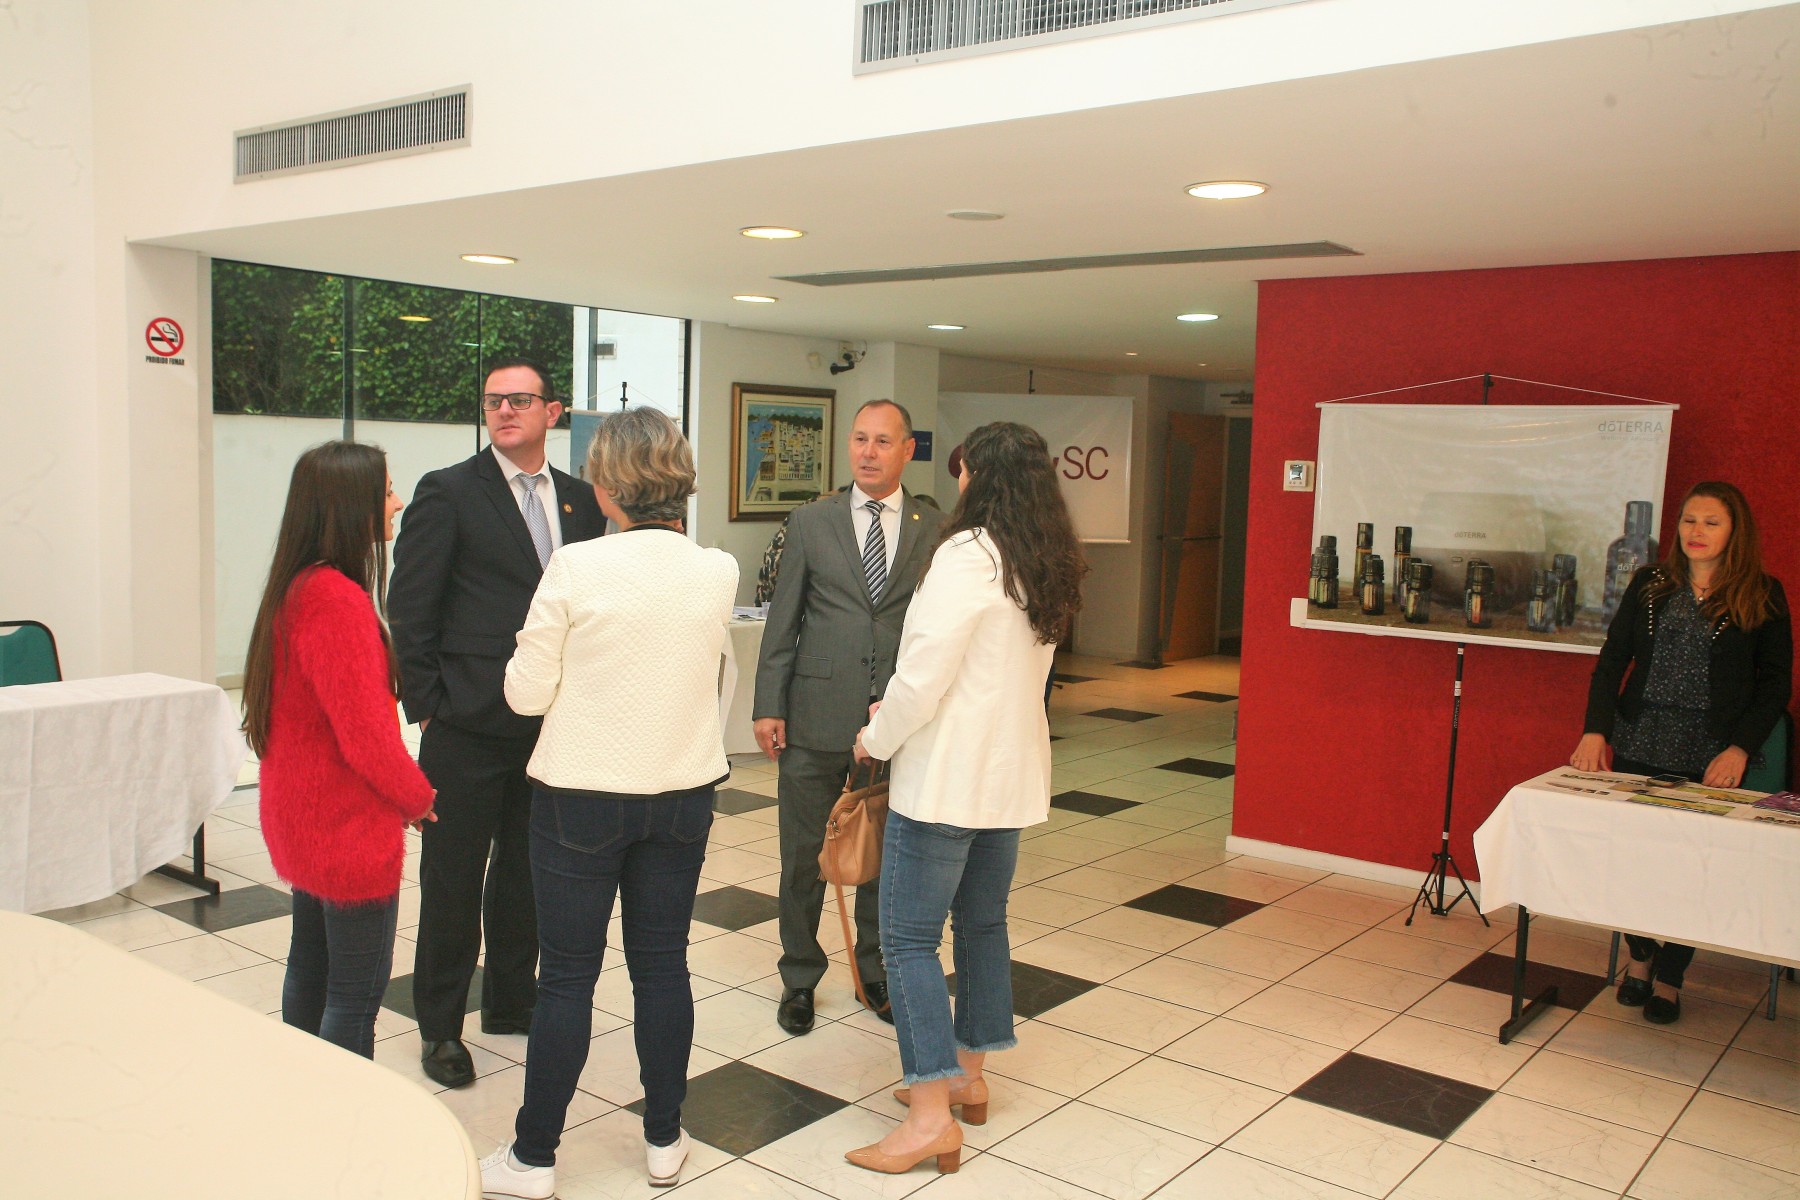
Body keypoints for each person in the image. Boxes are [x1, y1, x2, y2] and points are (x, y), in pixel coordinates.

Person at [477, 408, 735, 1198]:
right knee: (661, 968)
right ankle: (664, 1138)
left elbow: (525, 695)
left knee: (566, 979)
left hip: (580, 800)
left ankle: (534, 1156)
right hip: (682, 794)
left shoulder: (576, 566)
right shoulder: (716, 569)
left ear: (605, 487)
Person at [848, 421, 1086, 1175]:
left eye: (963, 470)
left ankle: (928, 1119)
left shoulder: (965, 555)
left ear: (978, 478)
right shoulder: (1041, 559)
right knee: (982, 925)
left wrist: (875, 737)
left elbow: (922, 679)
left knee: (908, 940)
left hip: (948, 780)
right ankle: (967, 1079)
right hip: (1009, 778)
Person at [388, 358, 608, 1088]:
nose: (505, 411)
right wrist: (429, 707)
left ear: (553, 412)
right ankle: (440, 1027)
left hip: (553, 725)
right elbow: (410, 609)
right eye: (493, 401)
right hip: (467, 725)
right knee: (452, 881)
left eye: (519, 400)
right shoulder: (449, 491)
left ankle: (512, 1001)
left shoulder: (583, 501)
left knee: (527, 875)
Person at [752, 399, 949, 1034]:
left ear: (907, 450)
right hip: (813, 714)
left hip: (895, 721)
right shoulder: (812, 521)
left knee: (881, 854)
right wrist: (768, 704)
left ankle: (874, 973)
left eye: (882, 441)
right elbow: (783, 619)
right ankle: (799, 977)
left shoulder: (934, 527)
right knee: (802, 855)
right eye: (860, 439)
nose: (868, 451)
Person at [1572, 481, 1791, 1025]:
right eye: (1690, 520)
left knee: (1695, 868)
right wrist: (1596, 730)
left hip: (1712, 752)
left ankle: (1670, 975)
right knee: (1633, 861)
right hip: (1641, 739)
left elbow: (1775, 684)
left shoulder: (1762, 593)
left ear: (1735, 531)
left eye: (1712, 522)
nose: (1697, 531)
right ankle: (1639, 957)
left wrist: (1741, 748)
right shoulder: (1650, 584)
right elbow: (1612, 659)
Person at [243, 441, 436, 1059]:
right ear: (349, 504)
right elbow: (367, 737)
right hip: (344, 827)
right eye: (386, 491)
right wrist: (419, 798)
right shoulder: (336, 600)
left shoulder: (297, 586)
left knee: (310, 967)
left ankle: (304, 1093)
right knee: (353, 998)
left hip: (303, 817)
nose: (397, 503)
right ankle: (346, 1110)